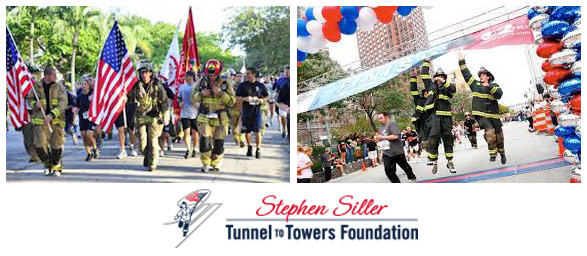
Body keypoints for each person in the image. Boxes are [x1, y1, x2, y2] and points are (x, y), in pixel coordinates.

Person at [458, 52, 506, 164]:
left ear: (488, 77)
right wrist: (461, 61)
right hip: (481, 115)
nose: (481, 76)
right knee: (490, 132)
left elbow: (499, 94)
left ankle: (502, 153)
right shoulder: (475, 84)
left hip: (494, 116)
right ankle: (492, 153)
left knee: (499, 137)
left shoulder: (494, 85)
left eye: (483, 75)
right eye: (480, 75)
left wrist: (489, 86)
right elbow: (466, 74)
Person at [192, 59, 236, 172]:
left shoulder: (226, 83)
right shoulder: (201, 82)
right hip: (204, 116)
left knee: (219, 142)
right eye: (209, 74)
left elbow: (232, 101)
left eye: (214, 74)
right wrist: (201, 94)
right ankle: (206, 163)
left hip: (221, 118)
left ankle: (216, 163)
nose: (211, 77)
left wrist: (221, 93)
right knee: (205, 141)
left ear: (218, 72)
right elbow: (193, 97)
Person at [127, 60, 170, 171]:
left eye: (146, 72)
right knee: (142, 145)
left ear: (150, 73)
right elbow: (130, 100)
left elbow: (165, 101)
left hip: (154, 117)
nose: (144, 74)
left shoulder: (157, 86)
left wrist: (166, 115)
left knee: (153, 142)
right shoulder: (136, 86)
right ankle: (147, 155)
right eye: (142, 72)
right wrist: (124, 97)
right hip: (141, 117)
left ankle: (152, 164)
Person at [27, 67, 68, 176]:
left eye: (55, 75)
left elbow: (63, 103)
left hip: (56, 122)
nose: (55, 78)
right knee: (40, 147)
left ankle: (56, 166)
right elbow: (29, 99)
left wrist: (52, 114)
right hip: (40, 123)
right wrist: (35, 104)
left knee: (56, 146)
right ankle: (47, 164)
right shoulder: (36, 87)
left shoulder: (60, 87)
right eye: (53, 75)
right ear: (46, 76)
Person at [421, 59, 457, 174]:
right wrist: (426, 61)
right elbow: (424, 75)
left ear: (444, 78)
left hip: (446, 118)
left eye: (441, 77)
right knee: (434, 138)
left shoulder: (448, 87)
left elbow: (453, 89)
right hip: (434, 117)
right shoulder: (431, 86)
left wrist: (443, 81)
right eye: (437, 76)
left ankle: (450, 162)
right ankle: (434, 162)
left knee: (448, 139)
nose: (439, 78)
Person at [375, 112, 417, 183]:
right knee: (388, 169)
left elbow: (396, 136)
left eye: (381, 118)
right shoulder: (380, 127)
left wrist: (382, 137)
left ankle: (412, 177)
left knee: (405, 167)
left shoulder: (392, 124)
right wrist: (377, 139)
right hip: (387, 152)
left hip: (397, 151)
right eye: (378, 119)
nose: (380, 120)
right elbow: (381, 138)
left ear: (386, 117)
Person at [236, 67, 269, 159]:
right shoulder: (242, 85)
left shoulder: (261, 86)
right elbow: (237, 98)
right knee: (247, 131)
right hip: (246, 111)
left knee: (257, 130)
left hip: (257, 111)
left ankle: (258, 149)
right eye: (246, 74)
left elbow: (267, 97)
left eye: (248, 73)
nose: (246, 75)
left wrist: (262, 100)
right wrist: (245, 98)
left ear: (254, 74)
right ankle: (249, 146)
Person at [178, 70, 199, 159]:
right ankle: (187, 149)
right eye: (186, 76)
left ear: (192, 77)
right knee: (186, 132)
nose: (187, 78)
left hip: (195, 112)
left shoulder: (197, 87)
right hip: (185, 112)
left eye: (189, 76)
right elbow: (179, 98)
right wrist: (180, 103)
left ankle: (195, 148)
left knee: (195, 132)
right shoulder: (182, 87)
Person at [76, 78, 98, 161]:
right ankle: (89, 153)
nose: (83, 86)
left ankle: (95, 148)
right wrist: (76, 110)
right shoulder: (79, 96)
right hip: (82, 117)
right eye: (82, 84)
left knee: (89, 134)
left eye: (85, 84)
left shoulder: (92, 94)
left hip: (91, 117)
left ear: (88, 85)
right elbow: (77, 106)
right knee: (84, 135)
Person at [410, 69, 430, 157]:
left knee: (433, 141)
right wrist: (413, 77)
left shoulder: (433, 101)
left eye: (429, 93)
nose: (427, 95)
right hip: (421, 125)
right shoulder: (419, 100)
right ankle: (429, 154)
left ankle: (432, 153)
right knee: (425, 142)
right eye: (426, 93)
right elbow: (414, 91)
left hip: (431, 123)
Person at [274, 66, 290, 138]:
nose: (287, 72)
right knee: (283, 116)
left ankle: (289, 134)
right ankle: (284, 128)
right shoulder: (280, 80)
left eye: (288, 71)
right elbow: (276, 90)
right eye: (286, 71)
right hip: (282, 102)